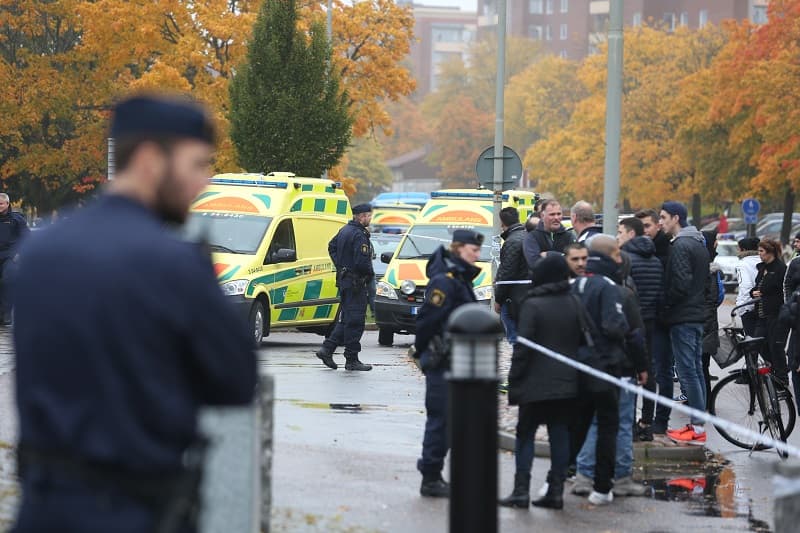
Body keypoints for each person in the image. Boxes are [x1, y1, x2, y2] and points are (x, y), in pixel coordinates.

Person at [12, 94, 258, 533]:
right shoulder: (174, 264)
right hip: (135, 509)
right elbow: (236, 381)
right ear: (150, 158)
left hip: (42, 510)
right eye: (197, 165)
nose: (204, 182)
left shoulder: (38, 252)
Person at [499, 254, 582, 510]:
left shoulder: (532, 304)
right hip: (566, 383)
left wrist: (514, 382)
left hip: (534, 384)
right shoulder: (575, 302)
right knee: (560, 435)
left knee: (526, 436)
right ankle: (555, 491)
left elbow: (523, 350)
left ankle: (520, 491)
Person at [571, 235, 648, 500]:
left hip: (584, 368)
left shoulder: (575, 286)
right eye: (616, 253)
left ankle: (583, 474)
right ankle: (622, 478)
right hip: (618, 368)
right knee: (621, 423)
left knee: (591, 423)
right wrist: (643, 367)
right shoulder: (619, 292)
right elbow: (633, 335)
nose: (620, 258)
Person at [414, 229, 483, 497]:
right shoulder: (445, 281)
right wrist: (424, 354)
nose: (477, 255)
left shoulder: (461, 279)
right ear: (458, 248)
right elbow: (427, 321)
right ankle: (430, 477)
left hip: (459, 362)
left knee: (453, 422)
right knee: (441, 420)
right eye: (473, 250)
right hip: (443, 362)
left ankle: (437, 474)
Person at [659, 201, 710, 445]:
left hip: (683, 316)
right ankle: (698, 424)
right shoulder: (699, 242)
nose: (661, 222)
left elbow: (680, 284)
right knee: (696, 371)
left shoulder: (680, 245)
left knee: (688, 371)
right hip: (697, 314)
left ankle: (697, 428)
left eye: (663, 217)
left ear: (676, 218)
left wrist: (665, 305)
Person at [618, 217, 663, 441]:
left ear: (630, 234)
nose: (618, 237)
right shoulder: (655, 259)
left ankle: (629, 422)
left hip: (632, 321)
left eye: (620, 232)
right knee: (648, 372)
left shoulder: (626, 258)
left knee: (632, 371)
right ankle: (647, 421)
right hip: (650, 320)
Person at [316, 204, 374, 371]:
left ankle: (327, 349)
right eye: (367, 216)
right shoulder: (358, 234)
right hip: (356, 284)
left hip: (345, 282)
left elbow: (331, 246)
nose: (369, 219)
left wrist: (341, 267)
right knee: (355, 321)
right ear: (360, 216)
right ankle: (351, 359)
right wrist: (369, 275)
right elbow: (362, 262)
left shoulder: (345, 230)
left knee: (347, 319)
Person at [752, 238, 789, 384]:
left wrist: (763, 292)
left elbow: (780, 290)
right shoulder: (761, 268)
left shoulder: (780, 269)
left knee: (776, 346)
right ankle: (771, 369)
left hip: (775, 313)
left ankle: (781, 377)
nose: (759, 254)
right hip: (761, 314)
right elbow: (757, 286)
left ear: (770, 252)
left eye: (761, 251)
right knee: (757, 343)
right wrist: (754, 292)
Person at [494, 206, 528, 344]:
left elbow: (506, 273)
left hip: (513, 299)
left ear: (502, 223)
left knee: (514, 337)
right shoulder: (526, 236)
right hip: (525, 296)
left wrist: (499, 299)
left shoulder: (511, 242)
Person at [701, 231, 724, 405]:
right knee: (702, 366)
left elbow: (712, 299)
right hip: (709, 323)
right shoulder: (712, 267)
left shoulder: (706, 269)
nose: (717, 243)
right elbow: (719, 297)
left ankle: (705, 402)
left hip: (704, 324)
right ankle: (704, 401)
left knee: (700, 367)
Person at [522, 199, 576, 271]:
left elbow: (574, 262)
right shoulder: (532, 237)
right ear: (542, 216)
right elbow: (535, 264)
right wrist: (563, 257)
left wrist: (549, 255)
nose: (556, 217)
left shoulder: (569, 236)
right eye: (552, 214)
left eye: (559, 214)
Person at [0, 193, 29, 324]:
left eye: (0, 204)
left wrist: (19, 254)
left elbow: (26, 237)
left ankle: (6, 313)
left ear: (7, 204)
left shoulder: (17, 219)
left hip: (10, 256)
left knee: (7, 279)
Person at [736, 237, 761, 336]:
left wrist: (743, 308)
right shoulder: (763, 260)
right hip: (763, 305)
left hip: (748, 306)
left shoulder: (742, 264)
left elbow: (745, 286)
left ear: (744, 250)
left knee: (750, 340)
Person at [783, 232, 800, 300]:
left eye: (798, 241)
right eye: (795, 241)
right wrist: (789, 304)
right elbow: (787, 285)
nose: (794, 244)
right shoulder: (795, 262)